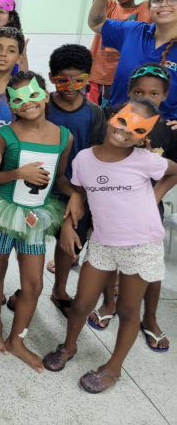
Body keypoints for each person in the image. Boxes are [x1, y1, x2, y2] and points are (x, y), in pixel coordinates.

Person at [43, 99, 177, 393]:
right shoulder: (84, 160)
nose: (125, 130)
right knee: (80, 303)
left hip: (140, 245)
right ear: (111, 116)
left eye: (138, 128)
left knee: (129, 310)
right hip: (103, 242)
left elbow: (173, 171)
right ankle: (68, 346)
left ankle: (113, 369)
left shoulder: (146, 160)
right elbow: (77, 192)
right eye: (122, 120)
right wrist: (67, 223)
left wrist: (154, 196)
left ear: (144, 135)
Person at [0, 72, 80, 372]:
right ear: (12, 106)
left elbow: (59, 177)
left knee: (32, 285)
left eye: (33, 95)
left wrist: (74, 194)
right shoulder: (6, 135)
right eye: (18, 99)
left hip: (36, 217)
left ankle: (17, 339)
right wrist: (18, 174)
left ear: (45, 96)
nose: (28, 103)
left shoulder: (64, 137)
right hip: (3, 213)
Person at [5, 45, 106, 315]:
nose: (70, 86)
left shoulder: (94, 113)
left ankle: (59, 289)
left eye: (79, 80)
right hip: (36, 189)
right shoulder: (40, 102)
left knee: (70, 245)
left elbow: (97, 154)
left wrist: (82, 195)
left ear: (88, 78)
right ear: (51, 77)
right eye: (63, 80)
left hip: (75, 189)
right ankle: (27, 289)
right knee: (31, 242)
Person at [88, 64, 175, 348]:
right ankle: (108, 304)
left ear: (165, 95)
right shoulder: (113, 122)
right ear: (128, 92)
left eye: (154, 92)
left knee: (150, 269)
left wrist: (154, 197)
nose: (146, 97)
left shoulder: (170, 130)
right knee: (108, 262)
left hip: (148, 212)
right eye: (139, 91)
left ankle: (149, 318)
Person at [65, 0, 165, 105]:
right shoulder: (108, 5)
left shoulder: (144, 9)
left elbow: (163, 3)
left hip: (124, 79)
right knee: (93, 116)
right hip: (96, 74)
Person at [89, 0, 177, 118]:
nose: (164, 4)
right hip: (117, 123)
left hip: (161, 132)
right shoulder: (133, 31)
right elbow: (96, 23)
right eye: (157, 0)